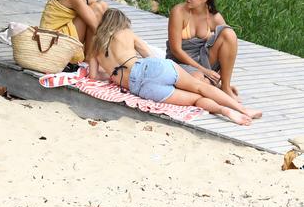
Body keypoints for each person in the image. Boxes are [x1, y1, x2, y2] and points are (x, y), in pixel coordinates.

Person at [88, 9, 261, 125]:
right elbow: (149, 56)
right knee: (200, 87)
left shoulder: (95, 48)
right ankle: (242, 109)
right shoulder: (127, 33)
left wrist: (110, 75)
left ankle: (226, 112)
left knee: (195, 99)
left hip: (140, 88)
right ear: (121, 23)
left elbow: (94, 77)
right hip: (149, 68)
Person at [166, 0, 240, 100]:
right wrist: (204, 71)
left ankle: (225, 88)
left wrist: (220, 77)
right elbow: (176, 50)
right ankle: (212, 85)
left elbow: (228, 47)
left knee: (229, 34)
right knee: (199, 81)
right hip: (180, 61)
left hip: (204, 58)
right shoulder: (178, 12)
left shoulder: (214, 17)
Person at [40, 0, 108, 68]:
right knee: (94, 11)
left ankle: (92, 57)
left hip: (64, 39)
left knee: (101, 5)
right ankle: (89, 60)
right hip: (53, 43)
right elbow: (95, 27)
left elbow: (103, 16)